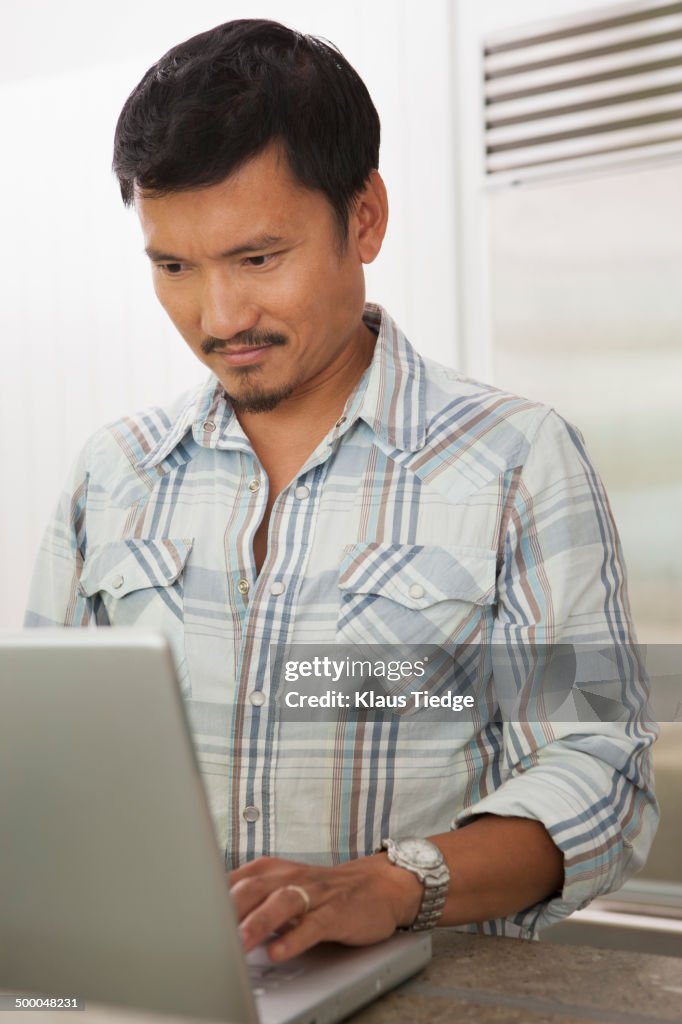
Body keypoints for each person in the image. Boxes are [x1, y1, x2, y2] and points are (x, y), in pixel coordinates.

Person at [25, 19, 658, 962]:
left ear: (364, 217)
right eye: (172, 268)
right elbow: (43, 760)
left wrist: (395, 883)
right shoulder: (110, 475)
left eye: (257, 258)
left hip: (424, 996)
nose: (219, 316)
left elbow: (601, 771)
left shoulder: (518, 459)